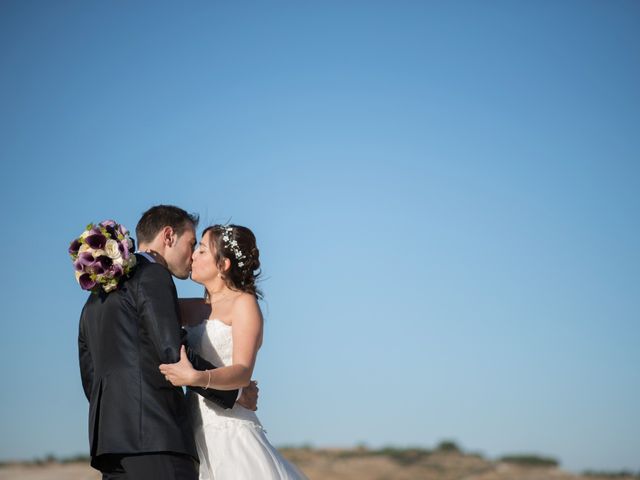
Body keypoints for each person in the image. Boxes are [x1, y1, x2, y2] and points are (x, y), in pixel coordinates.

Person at [78, 205, 258, 480]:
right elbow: (172, 351)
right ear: (169, 236)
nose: (192, 255)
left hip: (110, 443)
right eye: (191, 243)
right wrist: (234, 393)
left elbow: (89, 367)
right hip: (156, 437)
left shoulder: (101, 289)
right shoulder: (152, 276)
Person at [160, 224, 307, 479]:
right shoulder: (192, 308)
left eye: (203, 250)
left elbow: (242, 371)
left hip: (230, 433)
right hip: (193, 432)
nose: (193, 255)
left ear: (223, 264)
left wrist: (196, 377)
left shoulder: (244, 303)